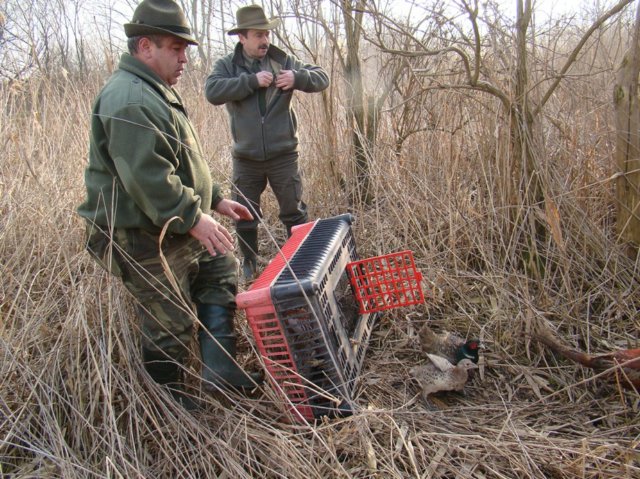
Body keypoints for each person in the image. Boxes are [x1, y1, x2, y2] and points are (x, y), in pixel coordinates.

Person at [77, 0, 262, 409]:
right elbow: (148, 179)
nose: (184, 59)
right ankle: (170, 406)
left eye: (185, 50)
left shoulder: (154, 90)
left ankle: (219, 369)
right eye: (175, 49)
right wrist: (193, 216)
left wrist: (214, 199)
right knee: (171, 320)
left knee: (220, 268)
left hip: (166, 221)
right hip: (136, 233)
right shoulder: (129, 99)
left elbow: (181, 159)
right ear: (145, 47)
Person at [204, 4, 330, 280]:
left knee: (294, 212)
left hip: (283, 155)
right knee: (245, 213)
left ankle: (301, 264)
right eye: (258, 35)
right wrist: (250, 81)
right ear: (242, 38)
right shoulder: (227, 65)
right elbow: (212, 91)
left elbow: (322, 78)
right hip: (245, 158)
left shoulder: (282, 60)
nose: (264, 40)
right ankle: (249, 264)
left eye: (266, 34)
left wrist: (297, 78)